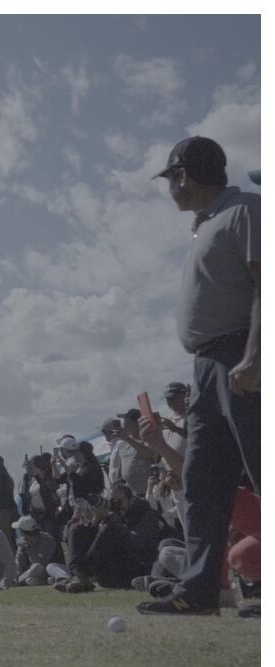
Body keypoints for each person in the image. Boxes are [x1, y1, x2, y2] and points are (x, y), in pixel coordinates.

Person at [139, 136, 261, 616]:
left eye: (170, 179)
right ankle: (200, 591)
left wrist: (255, 355)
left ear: (183, 174)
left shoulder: (245, 210)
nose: (170, 188)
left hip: (241, 355)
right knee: (203, 480)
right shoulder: (207, 222)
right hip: (207, 367)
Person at [58, 483, 164, 593]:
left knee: (109, 527)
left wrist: (111, 518)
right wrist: (96, 520)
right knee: (77, 529)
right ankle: (78, 575)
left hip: (136, 569)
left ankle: (81, 575)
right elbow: (92, 539)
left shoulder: (145, 513)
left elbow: (138, 543)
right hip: (110, 570)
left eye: (120, 501)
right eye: (113, 502)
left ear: (131, 500)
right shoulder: (114, 516)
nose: (117, 505)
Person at [105, 410, 158, 496]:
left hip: (149, 490)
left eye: (127, 422)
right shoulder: (121, 443)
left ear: (136, 423)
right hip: (132, 492)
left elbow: (148, 454)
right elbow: (116, 466)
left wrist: (127, 438)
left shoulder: (147, 438)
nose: (124, 424)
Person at [13, 516, 58, 586]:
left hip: (50, 569)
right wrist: (16, 574)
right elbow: (19, 562)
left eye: (20, 531)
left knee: (37, 566)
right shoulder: (23, 542)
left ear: (25, 532)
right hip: (34, 573)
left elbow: (42, 563)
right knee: (30, 581)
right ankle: (48, 582)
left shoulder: (47, 540)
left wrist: (29, 547)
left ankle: (17, 582)